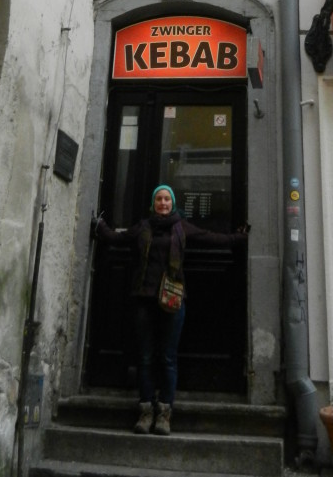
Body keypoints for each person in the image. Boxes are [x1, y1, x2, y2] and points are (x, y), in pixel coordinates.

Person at [91, 184, 248, 436]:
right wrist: (99, 225)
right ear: (153, 203)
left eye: (166, 199)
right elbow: (117, 238)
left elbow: (211, 237)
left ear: (172, 203)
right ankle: (145, 411)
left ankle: (164, 413)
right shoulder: (143, 227)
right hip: (144, 299)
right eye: (159, 199)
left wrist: (240, 237)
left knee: (168, 357)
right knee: (145, 357)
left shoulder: (181, 227)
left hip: (173, 300)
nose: (163, 203)